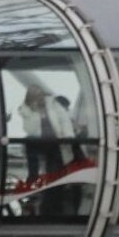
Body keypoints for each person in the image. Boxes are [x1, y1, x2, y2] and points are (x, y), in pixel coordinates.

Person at [18, 85, 80, 216]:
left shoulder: (54, 105)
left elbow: (64, 121)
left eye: (40, 95)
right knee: (29, 142)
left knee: (55, 173)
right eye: (36, 96)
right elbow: (30, 130)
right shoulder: (26, 110)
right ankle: (33, 178)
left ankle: (53, 204)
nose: (40, 98)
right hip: (41, 144)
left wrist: (68, 137)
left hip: (56, 143)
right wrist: (35, 112)